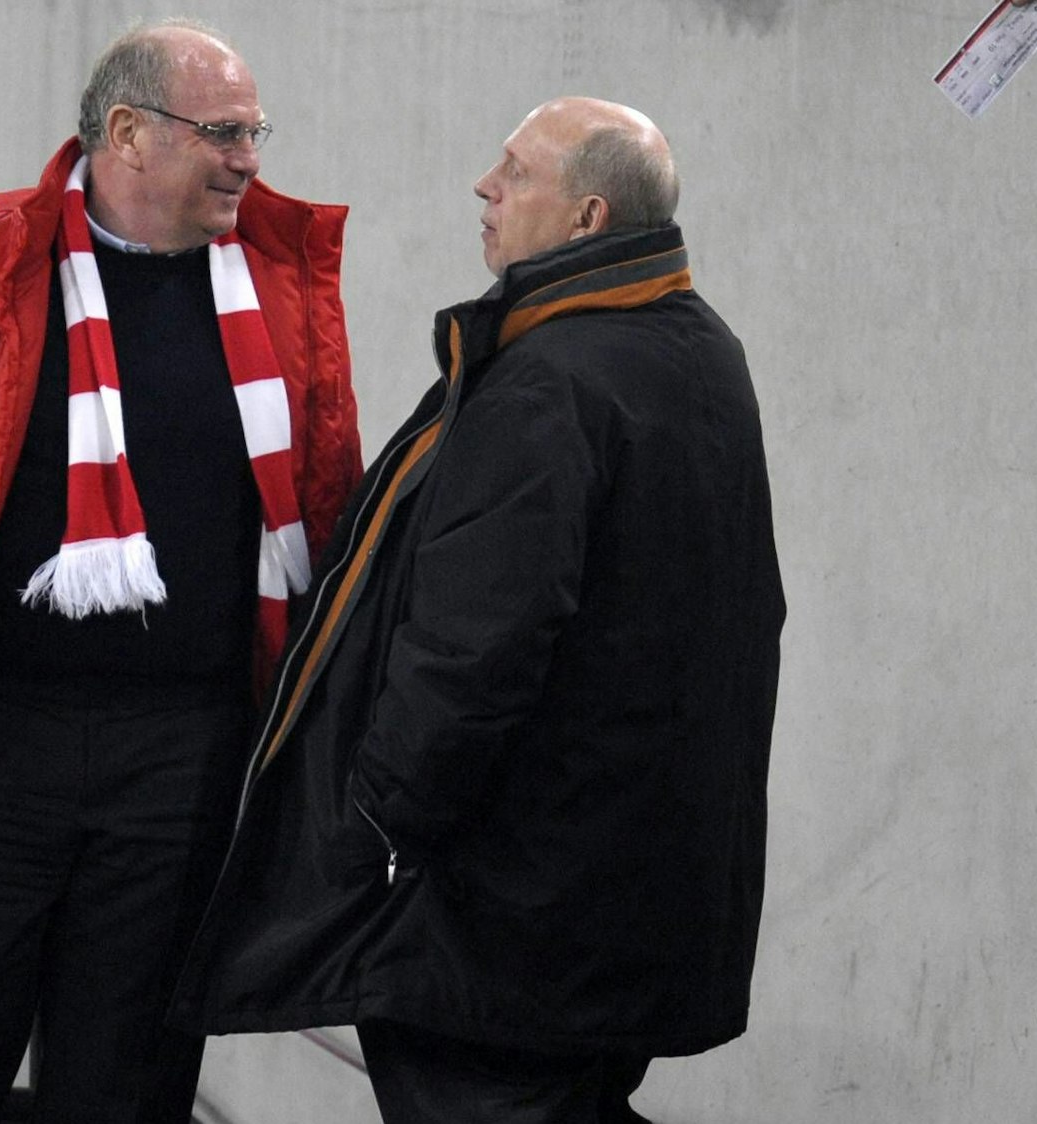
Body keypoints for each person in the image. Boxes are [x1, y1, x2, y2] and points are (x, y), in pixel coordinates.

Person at [171, 98, 785, 1124]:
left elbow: (474, 644)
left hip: (509, 913)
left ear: (587, 217)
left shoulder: (549, 381)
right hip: (633, 892)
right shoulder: (695, 350)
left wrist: (378, 817)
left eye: (516, 171)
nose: (483, 187)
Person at [0, 20, 360, 1123]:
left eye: (255, 131)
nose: (249, 157)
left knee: (130, 1092)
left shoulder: (277, 286)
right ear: (127, 133)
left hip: (181, 760)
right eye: (223, 132)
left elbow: (322, 505)